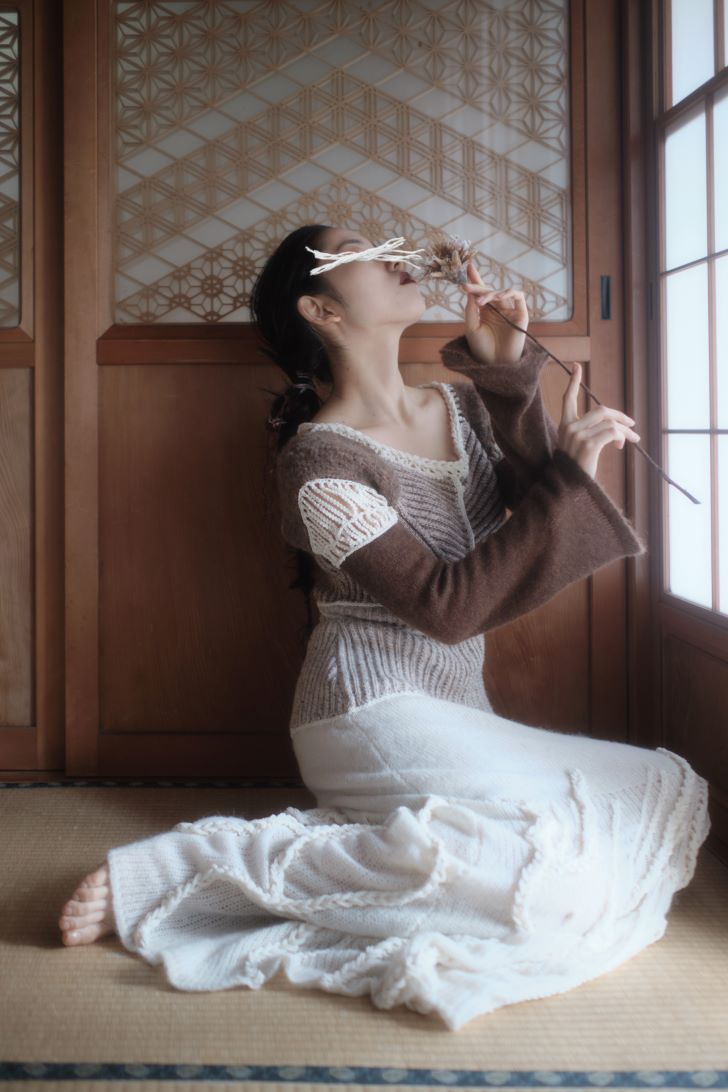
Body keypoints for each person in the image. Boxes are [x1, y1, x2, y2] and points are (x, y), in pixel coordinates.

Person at [57, 224, 710, 1031]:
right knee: (543, 881)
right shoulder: (318, 461)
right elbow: (448, 606)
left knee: (650, 787)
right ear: (322, 310)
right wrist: (573, 469)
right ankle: (209, 861)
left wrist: (507, 371)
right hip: (365, 712)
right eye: (363, 250)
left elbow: (541, 506)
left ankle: (370, 836)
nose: (396, 256)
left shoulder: (459, 405)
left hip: (458, 710)